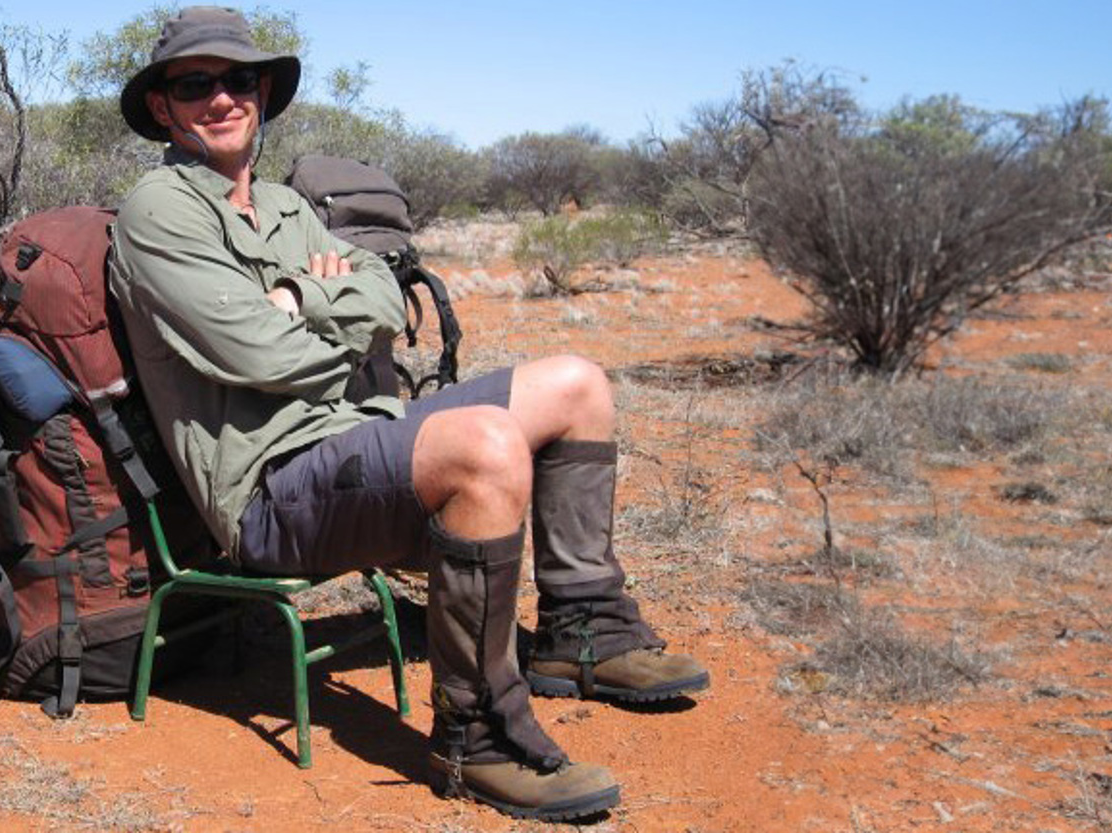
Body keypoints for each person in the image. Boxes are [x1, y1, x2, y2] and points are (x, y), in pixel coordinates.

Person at [108, 7, 709, 821]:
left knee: (577, 383)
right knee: (485, 445)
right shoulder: (160, 211)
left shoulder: (288, 207)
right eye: (195, 84)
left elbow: (386, 292)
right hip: (270, 489)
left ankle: (583, 632)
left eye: (238, 80)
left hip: (354, 438)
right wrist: (333, 317)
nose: (221, 98)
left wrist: (300, 297)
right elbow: (261, 356)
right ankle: (478, 733)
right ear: (162, 107)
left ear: (262, 93)